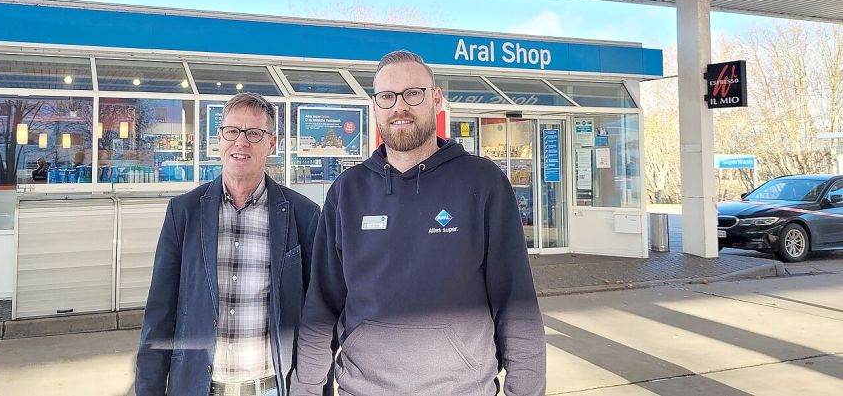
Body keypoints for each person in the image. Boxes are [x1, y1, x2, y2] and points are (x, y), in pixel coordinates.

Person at [292, 50, 546, 396]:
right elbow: (321, 309)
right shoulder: (347, 192)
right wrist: (305, 389)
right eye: (387, 97)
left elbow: (517, 306)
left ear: (436, 100)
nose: (400, 107)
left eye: (413, 93)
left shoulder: (483, 182)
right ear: (375, 107)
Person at [136, 93, 323, 396]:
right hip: (199, 388)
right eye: (232, 131)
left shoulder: (304, 215)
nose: (241, 142)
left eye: (254, 133)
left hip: (272, 388)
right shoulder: (183, 213)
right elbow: (159, 315)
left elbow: (319, 316)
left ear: (271, 144)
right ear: (219, 139)